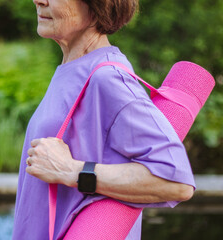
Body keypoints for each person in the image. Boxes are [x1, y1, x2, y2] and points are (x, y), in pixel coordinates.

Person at [12, 0, 195, 239]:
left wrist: (72, 171)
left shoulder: (108, 78)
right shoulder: (75, 67)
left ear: (98, 5)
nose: (39, 0)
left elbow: (175, 182)